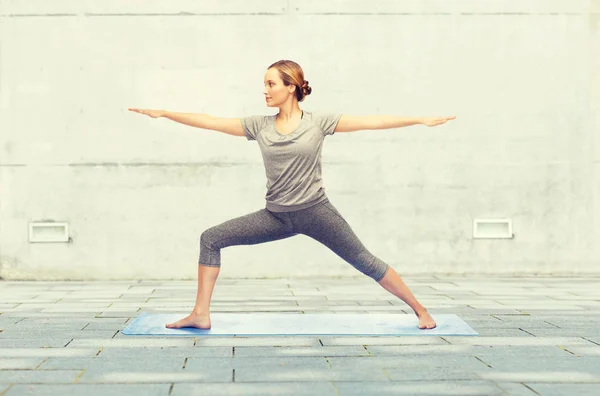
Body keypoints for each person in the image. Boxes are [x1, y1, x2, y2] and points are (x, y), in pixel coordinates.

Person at [129, 59, 455, 331]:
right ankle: (200, 314)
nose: (266, 91)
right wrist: (165, 113)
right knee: (211, 238)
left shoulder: (318, 122)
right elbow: (211, 122)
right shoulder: (259, 126)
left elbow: (373, 121)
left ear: (292, 87)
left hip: (316, 212)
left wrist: (419, 119)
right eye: (265, 85)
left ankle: (421, 310)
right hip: (276, 216)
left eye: (272, 84)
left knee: (365, 262)